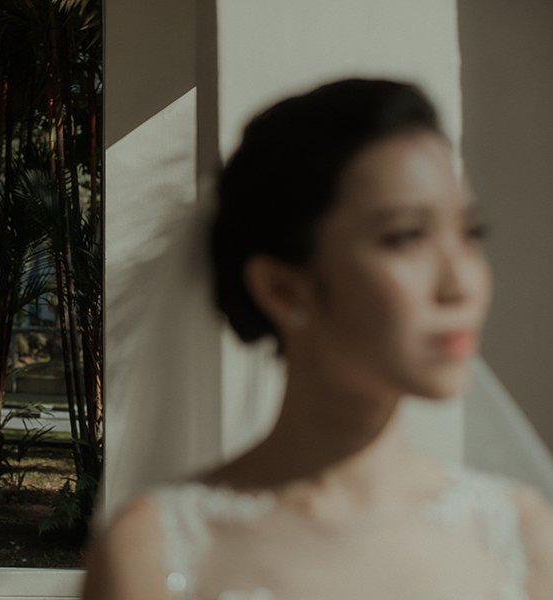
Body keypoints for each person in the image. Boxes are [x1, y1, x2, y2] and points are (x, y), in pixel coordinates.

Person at [82, 79, 553, 599]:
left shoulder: (522, 540)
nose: (461, 284)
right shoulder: (156, 553)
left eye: (470, 233)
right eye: (406, 236)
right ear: (282, 289)